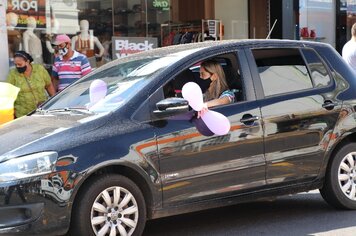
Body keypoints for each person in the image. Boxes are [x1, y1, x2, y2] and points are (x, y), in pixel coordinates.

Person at [6, 51, 55, 118]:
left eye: (20, 64)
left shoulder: (39, 69)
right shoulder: (13, 74)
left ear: (27, 62)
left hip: (42, 111)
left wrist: (55, 102)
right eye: (16, 64)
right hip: (22, 114)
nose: (17, 66)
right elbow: (8, 95)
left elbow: (49, 85)